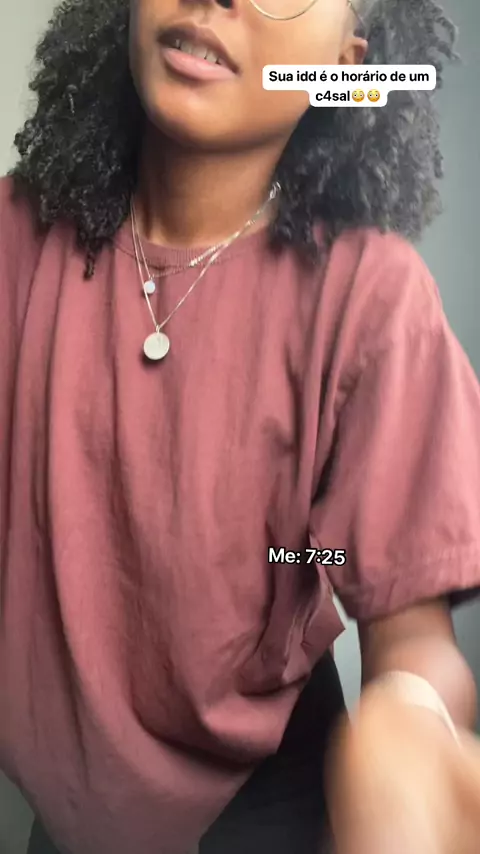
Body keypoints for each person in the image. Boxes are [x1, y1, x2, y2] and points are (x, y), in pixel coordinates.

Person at [2, 0, 480, 852]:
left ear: (342, 69)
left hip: (268, 815)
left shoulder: (370, 298)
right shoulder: (17, 238)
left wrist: (410, 731)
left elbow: (411, 634)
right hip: (64, 822)